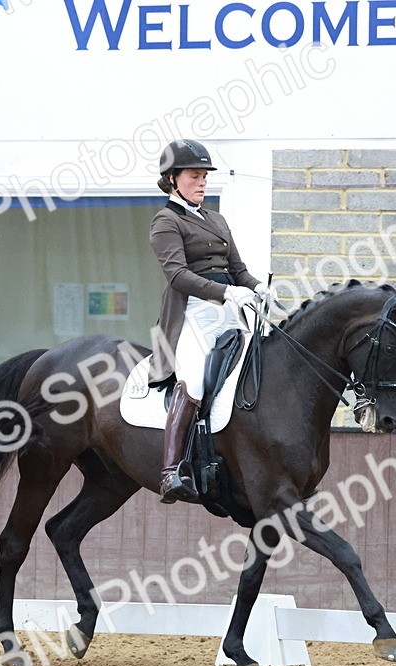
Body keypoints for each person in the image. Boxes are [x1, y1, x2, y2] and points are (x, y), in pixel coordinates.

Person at [148, 139, 272, 504]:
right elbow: (177, 275)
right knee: (195, 381)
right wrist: (225, 293)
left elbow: (237, 270)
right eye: (194, 176)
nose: (202, 182)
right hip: (191, 314)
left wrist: (256, 287)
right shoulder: (165, 221)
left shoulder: (217, 219)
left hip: (228, 310)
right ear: (172, 179)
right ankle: (170, 472)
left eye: (205, 176)